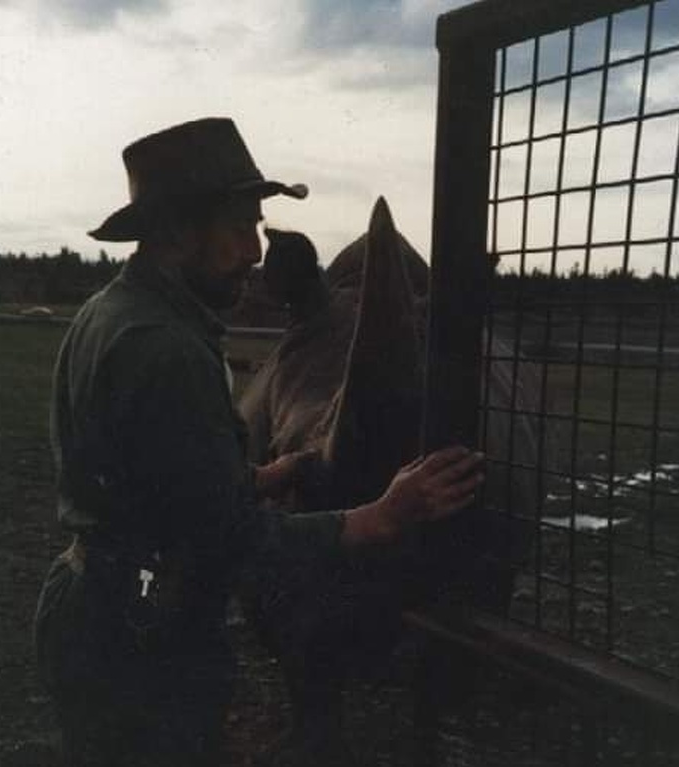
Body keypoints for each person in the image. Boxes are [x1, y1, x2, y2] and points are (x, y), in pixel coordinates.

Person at [34, 117, 485, 767]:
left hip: (99, 603)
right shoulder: (166, 348)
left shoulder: (110, 313)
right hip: (142, 640)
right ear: (178, 231)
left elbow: (157, 484)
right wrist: (379, 516)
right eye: (240, 227)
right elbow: (229, 540)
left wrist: (266, 476)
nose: (254, 250)